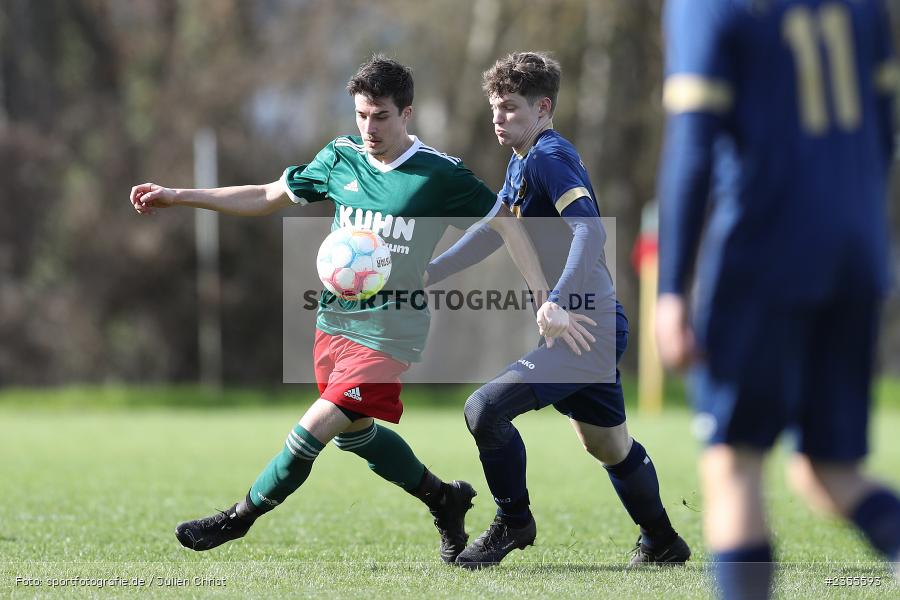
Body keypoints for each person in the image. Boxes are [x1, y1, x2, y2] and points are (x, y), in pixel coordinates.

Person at [128, 55, 564, 564]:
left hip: (391, 331)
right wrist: (179, 196)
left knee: (313, 429)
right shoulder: (339, 159)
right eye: (361, 115)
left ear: (407, 114)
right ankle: (444, 498)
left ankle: (238, 517)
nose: (369, 127)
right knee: (354, 435)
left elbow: (506, 223)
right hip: (334, 323)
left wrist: (541, 291)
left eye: (380, 116)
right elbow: (268, 195)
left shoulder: (438, 174)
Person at [655, 1, 900, 598]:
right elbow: (884, 128)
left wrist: (671, 289)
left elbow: (692, 143)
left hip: (764, 250)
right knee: (827, 470)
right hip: (856, 248)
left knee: (733, 464)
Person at [425, 51, 690, 569]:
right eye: (495, 108)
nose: (499, 118)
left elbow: (590, 231)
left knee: (485, 409)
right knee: (609, 447)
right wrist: (430, 273)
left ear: (543, 108)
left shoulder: (549, 156)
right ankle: (662, 541)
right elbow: (496, 232)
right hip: (584, 326)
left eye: (511, 108)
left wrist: (556, 301)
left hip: (584, 324)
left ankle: (513, 521)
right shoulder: (522, 160)